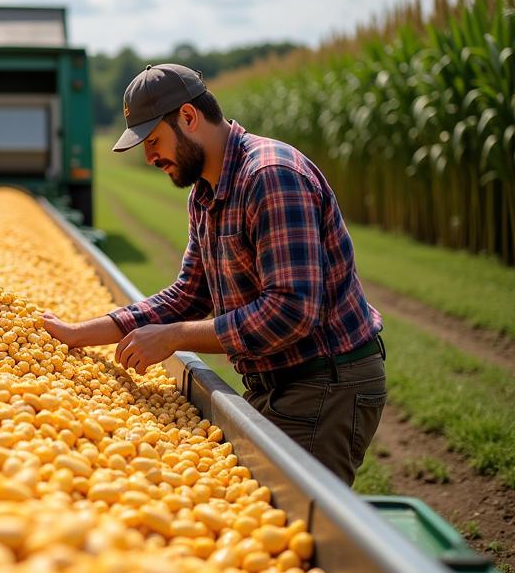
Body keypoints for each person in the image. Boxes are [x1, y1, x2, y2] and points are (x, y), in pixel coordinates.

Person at [41, 63, 386, 484]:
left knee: (290, 523)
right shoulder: (205, 193)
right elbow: (188, 294)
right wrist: (81, 333)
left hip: (324, 384)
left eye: (153, 141)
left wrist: (177, 337)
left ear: (188, 117)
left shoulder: (270, 177)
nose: (149, 158)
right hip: (276, 381)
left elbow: (292, 311)